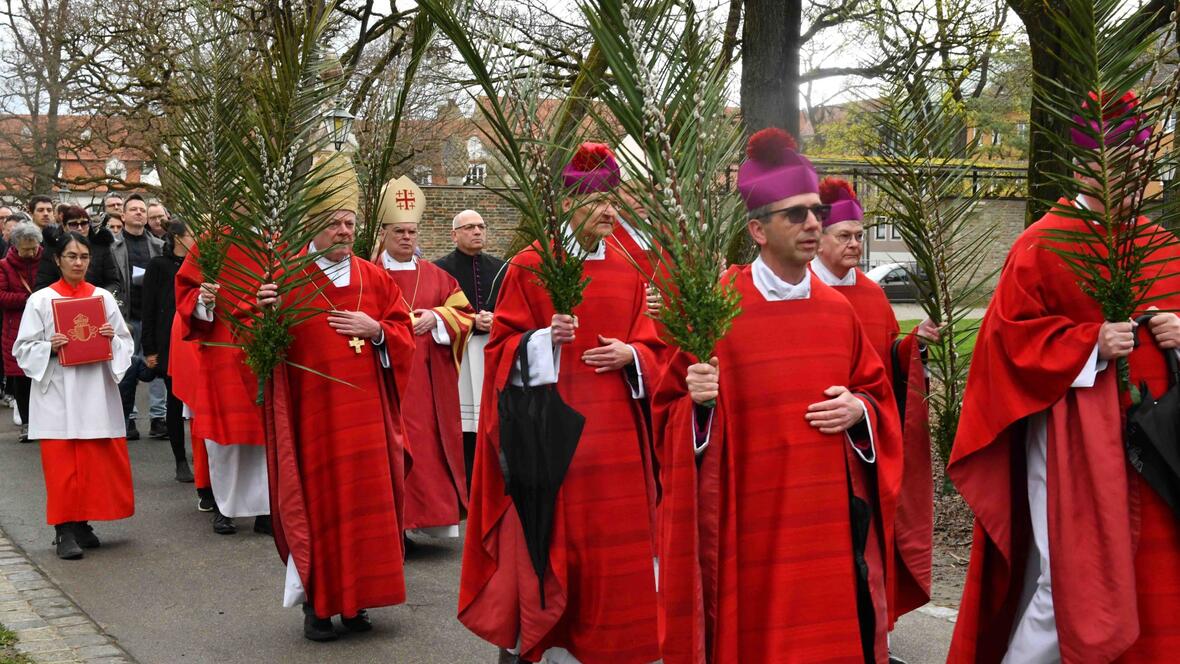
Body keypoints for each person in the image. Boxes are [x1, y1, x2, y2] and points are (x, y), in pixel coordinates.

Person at [653, 127, 903, 664]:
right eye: (796, 214)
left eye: (815, 211)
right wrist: (695, 407)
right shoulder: (716, 309)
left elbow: (878, 397)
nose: (814, 223)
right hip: (750, 526)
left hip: (826, 525)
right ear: (757, 230)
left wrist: (860, 410)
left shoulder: (840, 313)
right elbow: (665, 414)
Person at [947, 90, 1180, 663]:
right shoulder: (1044, 244)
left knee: (1156, 571)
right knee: (1069, 580)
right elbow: (1005, 343)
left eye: (1136, 163)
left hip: (1163, 442)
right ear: (1085, 163)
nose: (1130, 177)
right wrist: (1091, 344)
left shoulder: (1165, 248)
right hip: (1071, 441)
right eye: (1117, 162)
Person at [459, 142, 665, 663]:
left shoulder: (627, 266)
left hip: (616, 444)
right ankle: (536, 639)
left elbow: (655, 348)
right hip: (550, 442)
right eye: (595, 199)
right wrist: (543, 340)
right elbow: (501, 349)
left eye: (612, 197)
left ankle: (610, 647)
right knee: (549, 546)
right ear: (568, 203)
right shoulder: (532, 265)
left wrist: (633, 355)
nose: (608, 210)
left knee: (612, 557)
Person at [254, 154, 417, 642]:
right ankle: (319, 606)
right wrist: (264, 319)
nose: (344, 230)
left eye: (349, 222)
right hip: (314, 420)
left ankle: (359, 600)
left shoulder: (374, 277)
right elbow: (259, 356)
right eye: (334, 223)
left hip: (367, 419)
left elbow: (403, 333)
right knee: (319, 507)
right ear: (313, 225)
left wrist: (378, 331)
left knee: (368, 505)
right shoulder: (284, 279)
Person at [812, 177, 938, 633]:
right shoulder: (802, 288)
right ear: (820, 237)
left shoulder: (870, 293)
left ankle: (868, 629)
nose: (854, 243)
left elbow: (887, 364)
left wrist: (914, 347)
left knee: (868, 543)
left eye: (860, 235)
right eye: (844, 235)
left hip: (865, 438)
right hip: (817, 439)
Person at [13, 231, 134, 560]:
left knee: (93, 461)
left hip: (94, 389)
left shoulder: (103, 299)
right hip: (58, 394)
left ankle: (82, 522)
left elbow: (125, 343)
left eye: (84, 257)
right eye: (71, 256)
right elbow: (21, 350)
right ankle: (63, 529)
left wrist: (111, 340)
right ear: (57, 260)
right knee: (62, 464)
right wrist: (48, 348)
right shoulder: (40, 300)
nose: (78, 262)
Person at [375, 178, 474, 541]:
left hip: (427, 384)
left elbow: (465, 314)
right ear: (383, 233)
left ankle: (417, 522)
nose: (406, 238)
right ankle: (391, 527)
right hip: (382, 378)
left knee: (427, 450)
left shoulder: (438, 277)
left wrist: (438, 318)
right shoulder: (368, 274)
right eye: (399, 231)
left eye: (412, 231)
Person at [175, 236, 271, 535]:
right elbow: (186, 291)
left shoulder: (276, 239)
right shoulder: (211, 242)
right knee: (224, 439)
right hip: (223, 347)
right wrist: (202, 300)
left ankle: (266, 510)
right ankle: (223, 507)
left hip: (265, 349)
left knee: (265, 438)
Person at [434, 208, 505, 488]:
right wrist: (471, 320)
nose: (477, 231)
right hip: (457, 353)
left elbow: (514, 307)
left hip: (492, 351)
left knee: (493, 419)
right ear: (454, 235)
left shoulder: (502, 268)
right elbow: (436, 310)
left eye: (481, 226)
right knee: (462, 424)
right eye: (469, 228)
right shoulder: (439, 269)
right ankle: (464, 484)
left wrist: (496, 319)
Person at [142, 219, 196, 483]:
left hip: (196, 339)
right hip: (168, 342)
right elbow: (148, 308)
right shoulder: (158, 266)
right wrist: (150, 348)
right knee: (174, 401)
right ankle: (180, 460)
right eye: (192, 233)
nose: (197, 238)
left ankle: (203, 457)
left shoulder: (201, 266)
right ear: (177, 237)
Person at [112, 194, 166, 440]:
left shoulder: (157, 246)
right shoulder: (113, 246)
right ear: (122, 216)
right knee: (127, 367)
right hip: (126, 316)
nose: (139, 213)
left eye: (142, 210)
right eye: (133, 209)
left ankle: (158, 417)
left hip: (152, 315)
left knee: (157, 364)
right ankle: (129, 417)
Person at [0, 224, 44, 442]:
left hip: (44, 325)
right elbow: (2, 296)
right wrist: (29, 299)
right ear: (15, 246)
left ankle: (45, 420)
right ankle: (27, 422)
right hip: (15, 327)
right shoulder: (4, 266)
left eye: (34, 248)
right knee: (21, 378)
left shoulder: (47, 261)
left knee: (44, 375)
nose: (30, 253)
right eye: (26, 249)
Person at [34, 207, 122, 305]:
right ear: (64, 226)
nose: (80, 228)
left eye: (84, 223)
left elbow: (113, 282)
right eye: (73, 224)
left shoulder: (101, 247)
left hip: (97, 303)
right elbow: (42, 284)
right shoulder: (53, 249)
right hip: (61, 305)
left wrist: (99, 297)